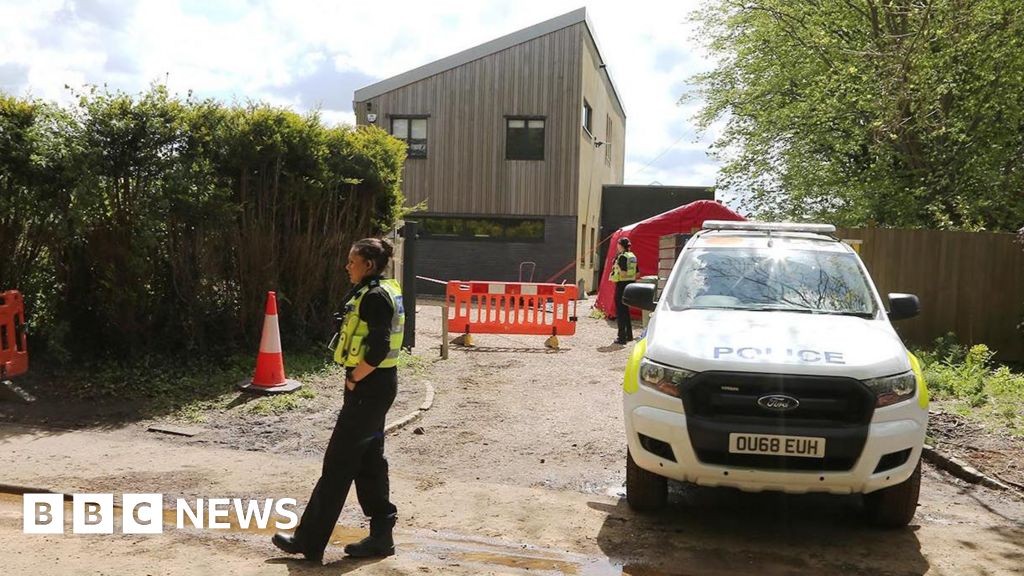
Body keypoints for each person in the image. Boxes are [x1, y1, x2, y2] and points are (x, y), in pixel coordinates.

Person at [273, 237, 405, 563]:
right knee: (370, 461)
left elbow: (377, 348)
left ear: (368, 265)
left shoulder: (375, 297)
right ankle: (381, 536)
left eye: (352, 261)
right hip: (378, 388)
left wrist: (355, 377)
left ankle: (308, 540)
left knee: (338, 463)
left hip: (368, 388)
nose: (347, 266)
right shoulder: (381, 290)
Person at [609, 237, 638, 344]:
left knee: (620, 312)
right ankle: (629, 335)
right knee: (626, 311)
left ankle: (621, 337)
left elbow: (623, 273)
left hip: (621, 286)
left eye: (618, 244)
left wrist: (617, 266)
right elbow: (637, 273)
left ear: (621, 245)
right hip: (630, 286)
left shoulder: (621, 257)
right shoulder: (632, 257)